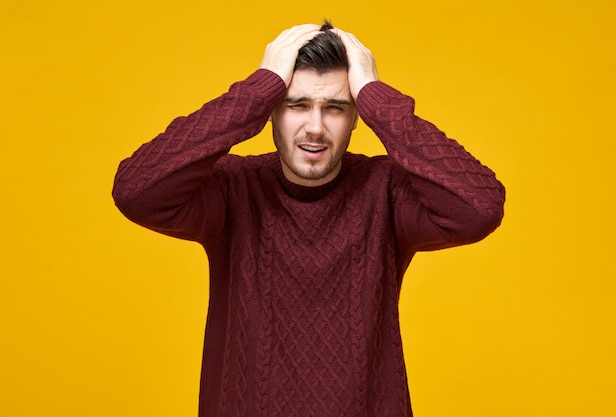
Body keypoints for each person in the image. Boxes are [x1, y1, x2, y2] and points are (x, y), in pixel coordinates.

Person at [113, 21, 505, 417]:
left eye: (335, 108)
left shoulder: (385, 191)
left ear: (357, 118)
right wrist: (258, 88)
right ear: (269, 113)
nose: (315, 128)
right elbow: (135, 192)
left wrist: (375, 95)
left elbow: (481, 208)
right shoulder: (233, 189)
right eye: (296, 105)